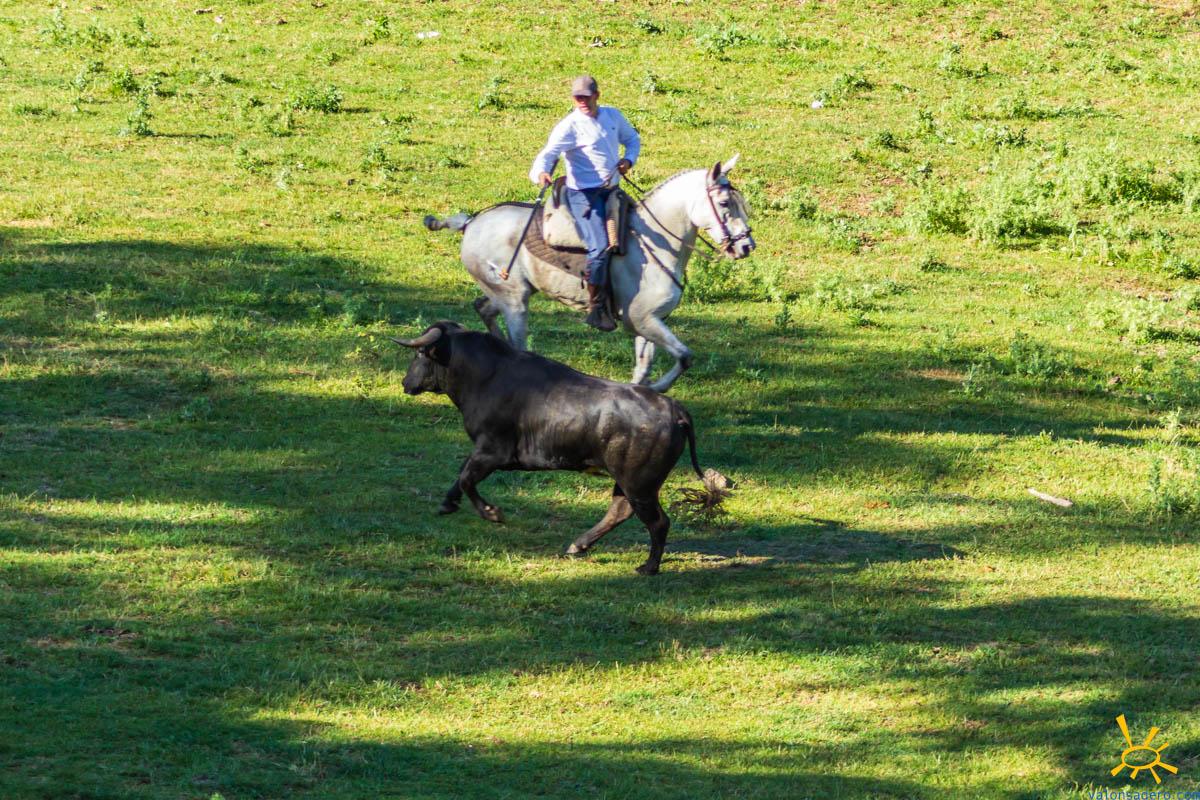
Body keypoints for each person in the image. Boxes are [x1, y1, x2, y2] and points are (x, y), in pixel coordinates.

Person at [529, 75, 640, 332]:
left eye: (586, 97)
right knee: (599, 248)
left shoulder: (612, 116)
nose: (582, 102)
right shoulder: (569, 126)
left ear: (596, 96)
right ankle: (596, 307)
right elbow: (549, 153)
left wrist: (629, 160)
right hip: (583, 196)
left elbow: (632, 139)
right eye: (577, 98)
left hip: (612, 191)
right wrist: (541, 172)